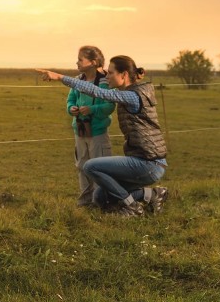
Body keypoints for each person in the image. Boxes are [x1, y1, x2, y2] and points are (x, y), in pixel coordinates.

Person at [37, 55, 169, 217]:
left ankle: (131, 207)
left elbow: (95, 91)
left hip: (148, 164)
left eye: (111, 73)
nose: (107, 77)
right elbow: (95, 83)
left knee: (90, 166)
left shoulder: (132, 96)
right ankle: (151, 195)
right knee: (100, 197)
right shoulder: (131, 91)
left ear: (124, 75)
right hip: (146, 161)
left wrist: (59, 77)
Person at [66, 46, 115, 207]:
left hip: (98, 133)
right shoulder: (78, 80)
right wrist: (71, 109)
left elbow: (109, 106)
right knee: (82, 166)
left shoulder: (105, 82)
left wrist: (92, 110)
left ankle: (101, 202)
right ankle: (85, 203)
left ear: (93, 62)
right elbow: (70, 100)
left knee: (100, 167)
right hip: (80, 131)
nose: (77, 62)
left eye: (80, 59)